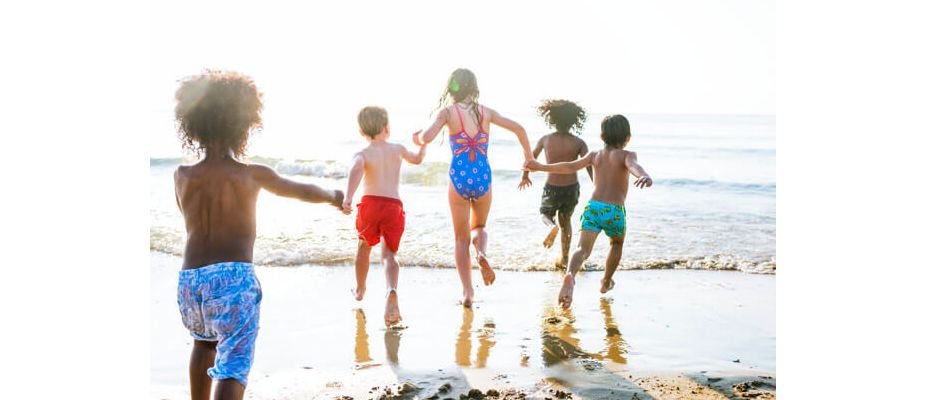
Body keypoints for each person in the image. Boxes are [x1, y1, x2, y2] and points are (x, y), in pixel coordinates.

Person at [173, 70, 343, 400]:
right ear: (244, 124)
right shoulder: (251, 175)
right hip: (233, 277)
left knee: (203, 345)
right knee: (233, 364)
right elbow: (301, 190)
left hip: (189, 281)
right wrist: (332, 196)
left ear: (193, 124)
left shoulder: (182, 175)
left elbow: (190, 222)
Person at [413, 68, 534, 307]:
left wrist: (417, 138)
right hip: (483, 178)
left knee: (460, 239)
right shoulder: (486, 112)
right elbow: (520, 129)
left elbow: (427, 137)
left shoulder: (447, 112)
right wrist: (528, 158)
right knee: (479, 226)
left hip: (458, 177)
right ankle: (482, 254)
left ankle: (468, 292)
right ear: (474, 87)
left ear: (452, 88)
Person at [525, 114, 652, 309]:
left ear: (602, 136)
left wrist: (541, 166)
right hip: (614, 210)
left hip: (593, 207)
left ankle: (570, 276)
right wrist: (643, 175)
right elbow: (634, 167)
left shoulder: (594, 155)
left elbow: (569, 166)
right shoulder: (627, 155)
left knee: (582, 250)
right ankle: (605, 281)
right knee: (616, 244)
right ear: (627, 137)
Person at [342, 106, 427, 327]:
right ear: (387, 127)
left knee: (363, 247)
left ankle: (360, 290)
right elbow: (417, 160)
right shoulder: (398, 149)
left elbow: (356, 170)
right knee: (389, 254)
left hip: (370, 205)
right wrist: (422, 144)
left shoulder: (362, 154)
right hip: (393, 205)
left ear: (362, 132)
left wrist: (348, 198)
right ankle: (392, 290)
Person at [518, 99, 592, 268]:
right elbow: (589, 165)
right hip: (571, 190)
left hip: (552, 188)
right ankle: (565, 259)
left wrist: (525, 176)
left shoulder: (546, 139)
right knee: (566, 223)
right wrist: (596, 183)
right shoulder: (579, 142)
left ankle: (551, 226)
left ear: (552, 119)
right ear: (574, 121)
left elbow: (530, 159)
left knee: (545, 214)